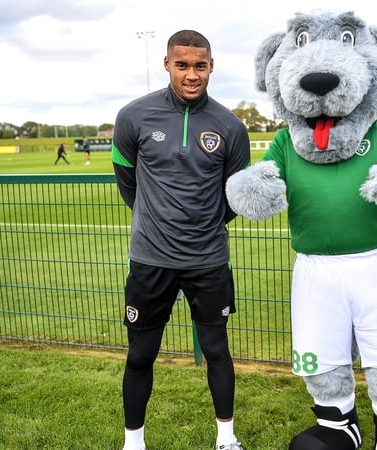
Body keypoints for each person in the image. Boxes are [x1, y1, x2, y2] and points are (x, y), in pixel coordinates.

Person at [111, 29, 250, 450]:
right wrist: (155, 221)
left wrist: (204, 225)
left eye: (200, 66)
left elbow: (235, 195)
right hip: (151, 259)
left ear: (211, 67)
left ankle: (226, 438)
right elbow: (126, 179)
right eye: (183, 65)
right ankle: (133, 441)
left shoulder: (230, 125)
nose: (192, 74)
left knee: (216, 351)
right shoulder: (134, 116)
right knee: (140, 355)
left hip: (207, 260)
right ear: (168, 64)